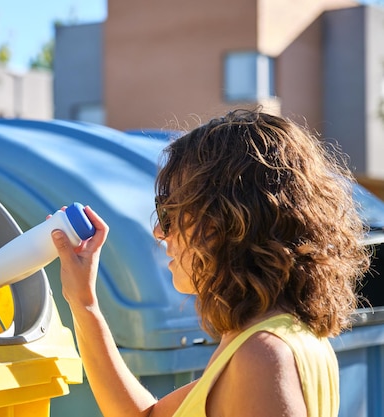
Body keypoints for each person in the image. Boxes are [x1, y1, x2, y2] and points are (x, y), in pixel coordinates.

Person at [50, 108, 371, 417]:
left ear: (225, 222)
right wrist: (84, 303)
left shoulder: (262, 356)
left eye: (170, 213)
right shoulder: (270, 339)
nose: (160, 231)